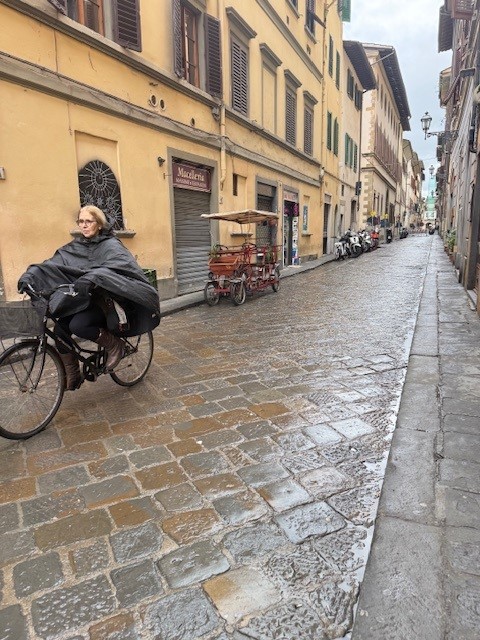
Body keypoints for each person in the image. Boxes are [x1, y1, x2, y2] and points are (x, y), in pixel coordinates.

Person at [18, 206, 161, 390]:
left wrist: (94, 277)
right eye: (81, 221)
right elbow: (52, 265)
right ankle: (74, 375)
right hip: (80, 299)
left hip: (104, 301)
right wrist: (30, 276)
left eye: (88, 221)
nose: (83, 226)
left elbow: (117, 268)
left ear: (99, 225)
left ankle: (115, 345)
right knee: (60, 332)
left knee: (79, 325)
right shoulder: (74, 247)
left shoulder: (111, 245)